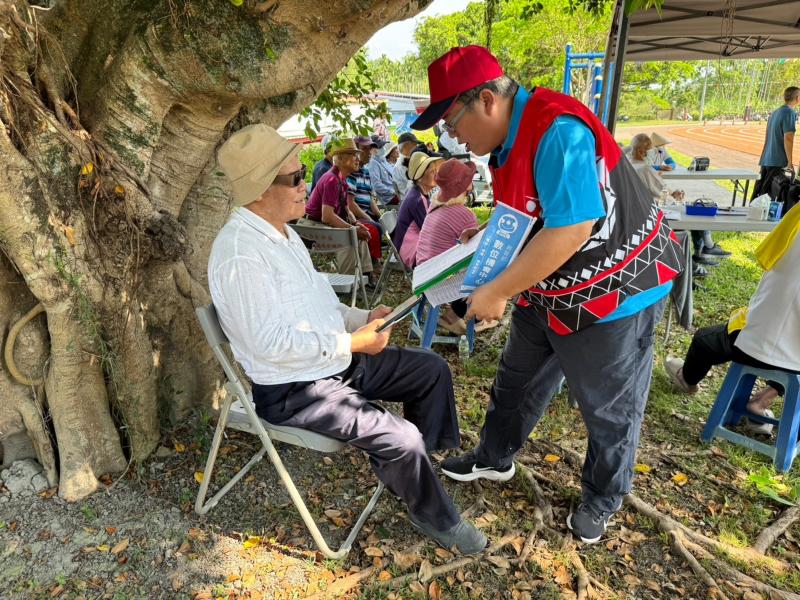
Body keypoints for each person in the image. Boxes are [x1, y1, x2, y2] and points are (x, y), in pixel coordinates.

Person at [411, 46, 684, 544]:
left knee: (609, 406)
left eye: (451, 124)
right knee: (517, 380)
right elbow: (532, 208)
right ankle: (494, 458)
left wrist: (497, 289)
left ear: (488, 101)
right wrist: (489, 239)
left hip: (614, 289)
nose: (454, 138)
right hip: (550, 286)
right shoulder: (506, 140)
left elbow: (573, 227)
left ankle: (603, 496)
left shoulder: (557, 131)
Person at [209, 124, 486, 555]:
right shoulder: (240, 254)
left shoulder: (280, 231)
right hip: (294, 389)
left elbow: (318, 305)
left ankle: (416, 475)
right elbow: (269, 345)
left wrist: (363, 317)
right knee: (402, 438)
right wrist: (352, 344)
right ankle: (430, 508)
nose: (308, 184)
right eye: (296, 178)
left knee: (430, 369)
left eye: (303, 173)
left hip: (329, 364)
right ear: (261, 189)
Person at [665, 203, 800, 435]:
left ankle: (687, 379)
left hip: (756, 345)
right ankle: (760, 403)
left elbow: (770, 296)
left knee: (704, 339)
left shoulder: (793, 229)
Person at [416, 158, 499, 334]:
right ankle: (465, 317)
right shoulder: (463, 214)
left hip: (423, 274)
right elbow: (479, 249)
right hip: (438, 281)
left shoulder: (435, 206)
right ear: (465, 187)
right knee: (487, 272)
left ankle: (453, 314)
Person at [303, 138, 375, 284]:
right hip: (311, 227)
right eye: (353, 154)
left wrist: (355, 223)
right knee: (349, 236)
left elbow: (347, 208)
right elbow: (327, 216)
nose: (357, 158)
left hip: (321, 226)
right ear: (340, 159)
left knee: (358, 232)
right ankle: (348, 282)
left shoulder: (341, 178)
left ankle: (365, 276)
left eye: (357, 154)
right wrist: (352, 229)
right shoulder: (331, 180)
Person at [392, 151, 443, 268]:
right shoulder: (417, 200)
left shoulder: (418, 194)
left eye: (436, 171)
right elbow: (430, 231)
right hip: (411, 252)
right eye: (432, 172)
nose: (436, 174)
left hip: (413, 247)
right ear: (420, 178)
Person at [752, 86, 799, 199]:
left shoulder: (775, 112)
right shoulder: (789, 112)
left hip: (767, 158)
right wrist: (789, 161)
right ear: (797, 98)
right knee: (768, 195)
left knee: (759, 191)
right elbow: (788, 138)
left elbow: (768, 136)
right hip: (778, 160)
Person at [369, 141, 400, 207]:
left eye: (383, 146)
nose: (383, 148)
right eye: (380, 147)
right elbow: (377, 185)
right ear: (373, 150)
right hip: (390, 197)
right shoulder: (373, 163)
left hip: (396, 193)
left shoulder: (383, 160)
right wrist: (393, 192)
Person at [394, 132, 420, 200]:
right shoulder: (401, 165)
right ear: (406, 146)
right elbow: (414, 185)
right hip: (412, 200)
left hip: (415, 197)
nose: (417, 147)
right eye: (414, 144)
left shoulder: (409, 160)